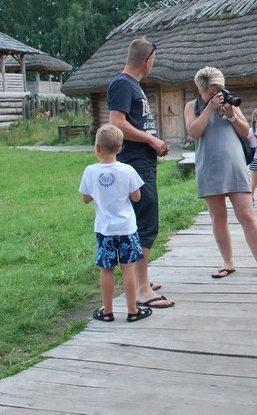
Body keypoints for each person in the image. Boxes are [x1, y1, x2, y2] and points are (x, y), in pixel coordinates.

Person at [184, 66, 257, 281]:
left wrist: (232, 116)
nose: (216, 95)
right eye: (211, 92)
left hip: (234, 165)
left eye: (219, 90)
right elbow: (193, 132)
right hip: (209, 166)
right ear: (201, 90)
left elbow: (247, 133)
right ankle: (228, 263)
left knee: (247, 215)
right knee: (218, 217)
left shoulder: (230, 103)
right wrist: (208, 109)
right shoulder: (192, 106)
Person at [107, 37, 175, 309]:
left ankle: (138, 279)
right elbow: (117, 123)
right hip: (135, 164)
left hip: (142, 163)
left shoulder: (132, 86)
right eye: (154, 60)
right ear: (148, 61)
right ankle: (141, 290)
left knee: (140, 222)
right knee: (146, 222)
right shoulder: (123, 84)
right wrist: (151, 140)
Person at [79, 124, 152, 323]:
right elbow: (136, 197)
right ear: (120, 148)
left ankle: (108, 311)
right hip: (127, 228)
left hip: (104, 230)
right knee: (128, 268)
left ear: (97, 148)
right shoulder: (127, 170)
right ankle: (132, 310)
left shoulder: (90, 171)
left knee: (106, 269)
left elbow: (86, 198)